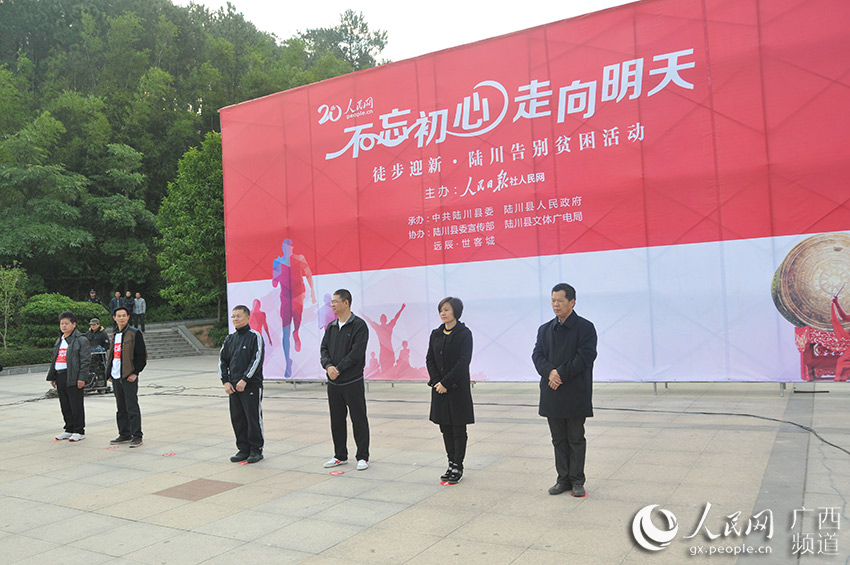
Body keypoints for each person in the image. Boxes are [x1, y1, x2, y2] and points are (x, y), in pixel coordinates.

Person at [532, 283, 597, 498]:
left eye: (560, 300)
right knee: (558, 439)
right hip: (552, 392)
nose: (555, 304)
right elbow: (537, 355)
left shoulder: (585, 328)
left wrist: (560, 374)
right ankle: (563, 479)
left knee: (576, 438)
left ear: (572, 302)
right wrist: (550, 372)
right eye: (553, 300)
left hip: (575, 391)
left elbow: (585, 357)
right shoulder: (544, 329)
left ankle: (577, 480)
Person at [320, 289, 370, 470]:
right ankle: (339, 455)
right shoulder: (331, 326)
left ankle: (363, 456)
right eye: (331, 302)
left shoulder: (359, 326)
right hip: (333, 383)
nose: (332, 305)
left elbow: (356, 353)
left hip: (352, 381)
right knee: (337, 419)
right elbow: (323, 349)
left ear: (346, 303)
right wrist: (328, 367)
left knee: (358, 419)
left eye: (335, 302)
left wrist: (339, 369)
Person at [426, 297, 474, 484]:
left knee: (458, 428)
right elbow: (429, 358)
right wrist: (437, 382)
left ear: (455, 311)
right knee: (445, 427)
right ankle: (450, 462)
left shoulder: (464, 333)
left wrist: (446, 382)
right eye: (441, 310)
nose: (443, 313)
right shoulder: (436, 334)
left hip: (456, 389)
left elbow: (463, 362)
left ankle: (458, 465)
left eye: (446, 309)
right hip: (439, 389)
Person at [219, 305, 265, 463]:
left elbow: (257, 360)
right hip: (233, 387)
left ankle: (256, 449)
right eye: (233, 316)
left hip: (250, 386)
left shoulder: (255, 337)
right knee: (237, 418)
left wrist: (245, 379)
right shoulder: (230, 339)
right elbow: (222, 361)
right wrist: (226, 381)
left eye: (238, 316)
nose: (235, 319)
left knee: (252, 417)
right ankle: (243, 448)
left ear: (247, 317)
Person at [272, 238, 316, 378]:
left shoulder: (300, 258)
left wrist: (312, 292)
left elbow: (308, 274)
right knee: (285, 331)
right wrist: (276, 268)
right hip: (285, 297)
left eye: (290, 246)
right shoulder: (278, 262)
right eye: (286, 246)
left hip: (298, 295)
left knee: (297, 320)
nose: (288, 249)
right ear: (282, 247)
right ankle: (287, 364)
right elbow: (274, 283)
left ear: (293, 247)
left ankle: (296, 332)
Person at [105, 306, 147, 448]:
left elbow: (142, 356)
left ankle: (137, 436)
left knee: (132, 406)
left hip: (128, 376)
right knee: (121, 407)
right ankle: (124, 433)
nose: (121, 318)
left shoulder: (134, 333)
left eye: (124, 315)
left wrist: (135, 372)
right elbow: (112, 355)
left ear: (128, 317)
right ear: (114, 318)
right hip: (116, 376)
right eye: (119, 315)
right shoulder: (114, 334)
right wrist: (110, 372)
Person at [46, 312, 91, 442]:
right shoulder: (60, 340)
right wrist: (53, 376)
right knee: (65, 404)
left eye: (67, 323)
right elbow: (55, 359)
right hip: (60, 375)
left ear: (74, 324)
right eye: (62, 324)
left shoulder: (80, 340)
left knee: (75, 403)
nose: (64, 326)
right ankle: (69, 428)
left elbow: (85, 360)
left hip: (73, 376)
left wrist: (82, 378)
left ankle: (79, 430)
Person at [364, 303, 406, 375]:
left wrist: (401, 309)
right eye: (383, 318)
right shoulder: (380, 328)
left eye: (384, 318)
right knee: (384, 369)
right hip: (384, 350)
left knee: (390, 368)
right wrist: (362, 314)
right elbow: (369, 321)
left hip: (388, 350)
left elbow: (396, 317)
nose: (383, 319)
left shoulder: (387, 327)